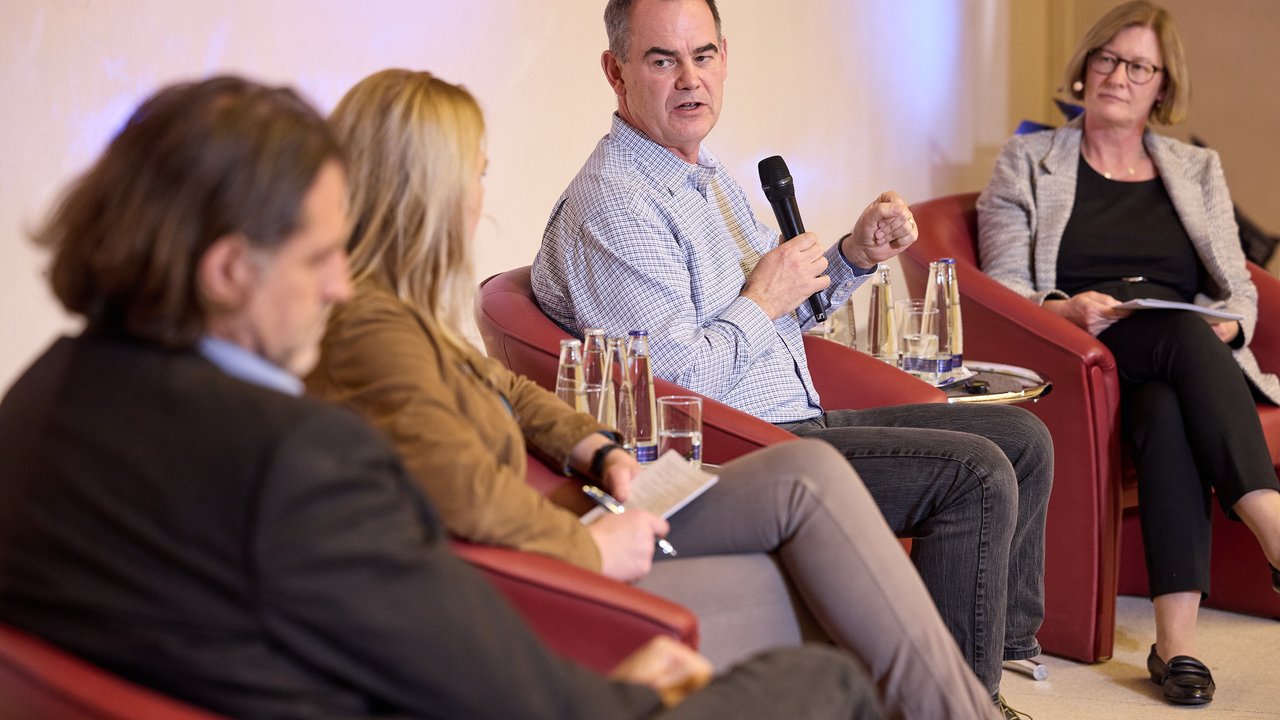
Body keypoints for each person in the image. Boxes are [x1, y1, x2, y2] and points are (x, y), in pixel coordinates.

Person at [0, 75, 880, 720]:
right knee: (826, 682)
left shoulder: (35, 402)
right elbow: (506, 690)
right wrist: (624, 686)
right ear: (229, 271)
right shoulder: (298, 458)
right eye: (317, 259)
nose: (339, 287)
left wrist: (594, 453)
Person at [305, 67, 999, 720]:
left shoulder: (396, 314)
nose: (481, 197)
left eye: (702, 57)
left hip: (583, 512)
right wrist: (592, 550)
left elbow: (510, 389)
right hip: (538, 573)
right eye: (476, 175)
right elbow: (468, 494)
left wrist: (594, 446)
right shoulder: (373, 328)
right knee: (821, 547)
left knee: (814, 485)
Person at [530, 1, 1053, 715]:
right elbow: (674, 390)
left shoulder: (704, 174)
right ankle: (959, 705)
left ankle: (988, 661)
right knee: (975, 474)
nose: (691, 79)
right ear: (615, 72)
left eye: (704, 55)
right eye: (662, 60)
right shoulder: (616, 205)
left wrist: (851, 257)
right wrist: (761, 301)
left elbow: (778, 315)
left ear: (724, 57)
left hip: (799, 416)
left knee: (1021, 440)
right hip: (741, 451)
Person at [977, 0, 1280, 707]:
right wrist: (1066, 309)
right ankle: (1272, 523)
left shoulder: (1195, 166)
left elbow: (1238, 288)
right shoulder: (1028, 160)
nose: (1118, 75)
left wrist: (1230, 330)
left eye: (1139, 66)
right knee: (1175, 341)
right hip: (1085, 349)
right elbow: (1003, 290)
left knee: (1169, 402)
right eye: (1107, 58)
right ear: (1084, 69)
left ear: (1162, 87)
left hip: (1182, 353)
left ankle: (1176, 647)